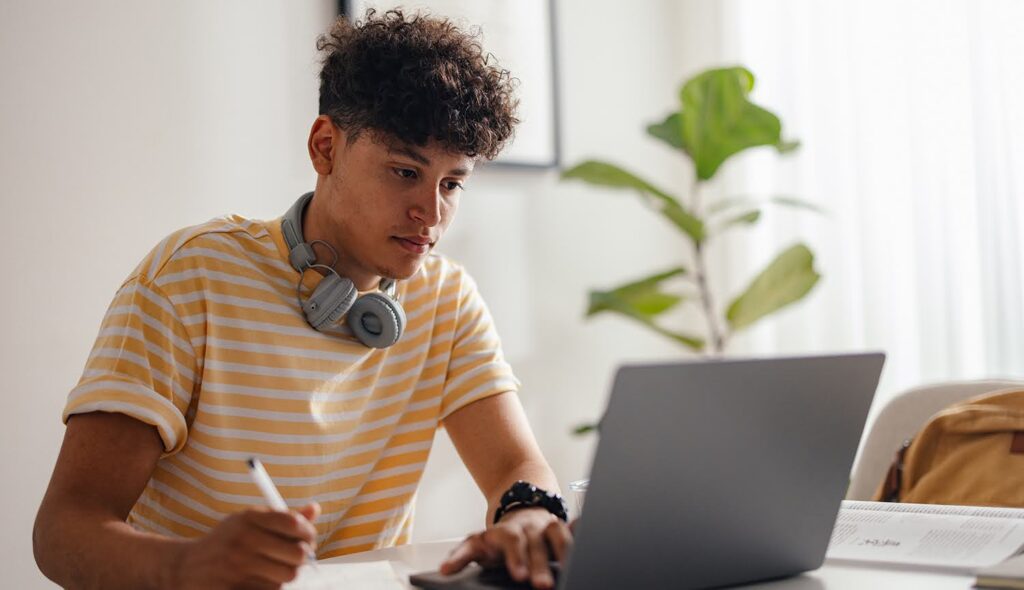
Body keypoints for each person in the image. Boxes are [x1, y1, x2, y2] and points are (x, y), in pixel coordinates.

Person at [33, 10, 571, 590]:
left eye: (452, 183)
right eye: (404, 171)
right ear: (325, 147)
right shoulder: (190, 277)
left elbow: (516, 467)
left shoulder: (447, 299)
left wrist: (528, 514)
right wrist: (185, 567)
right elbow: (64, 531)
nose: (431, 214)